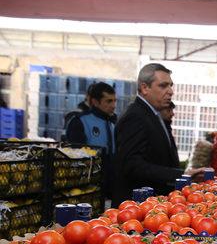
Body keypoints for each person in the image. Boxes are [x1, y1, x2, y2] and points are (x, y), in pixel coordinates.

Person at [113, 63, 204, 205]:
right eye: (163, 86)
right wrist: (180, 175)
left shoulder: (153, 114)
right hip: (136, 208)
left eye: (170, 85)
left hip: (153, 205)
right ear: (144, 88)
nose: (170, 91)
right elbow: (132, 165)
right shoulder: (135, 116)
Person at [65, 82, 117, 199]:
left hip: (109, 189)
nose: (114, 105)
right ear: (95, 102)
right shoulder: (79, 122)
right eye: (108, 101)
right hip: (87, 189)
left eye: (115, 101)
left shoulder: (113, 123)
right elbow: (76, 160)